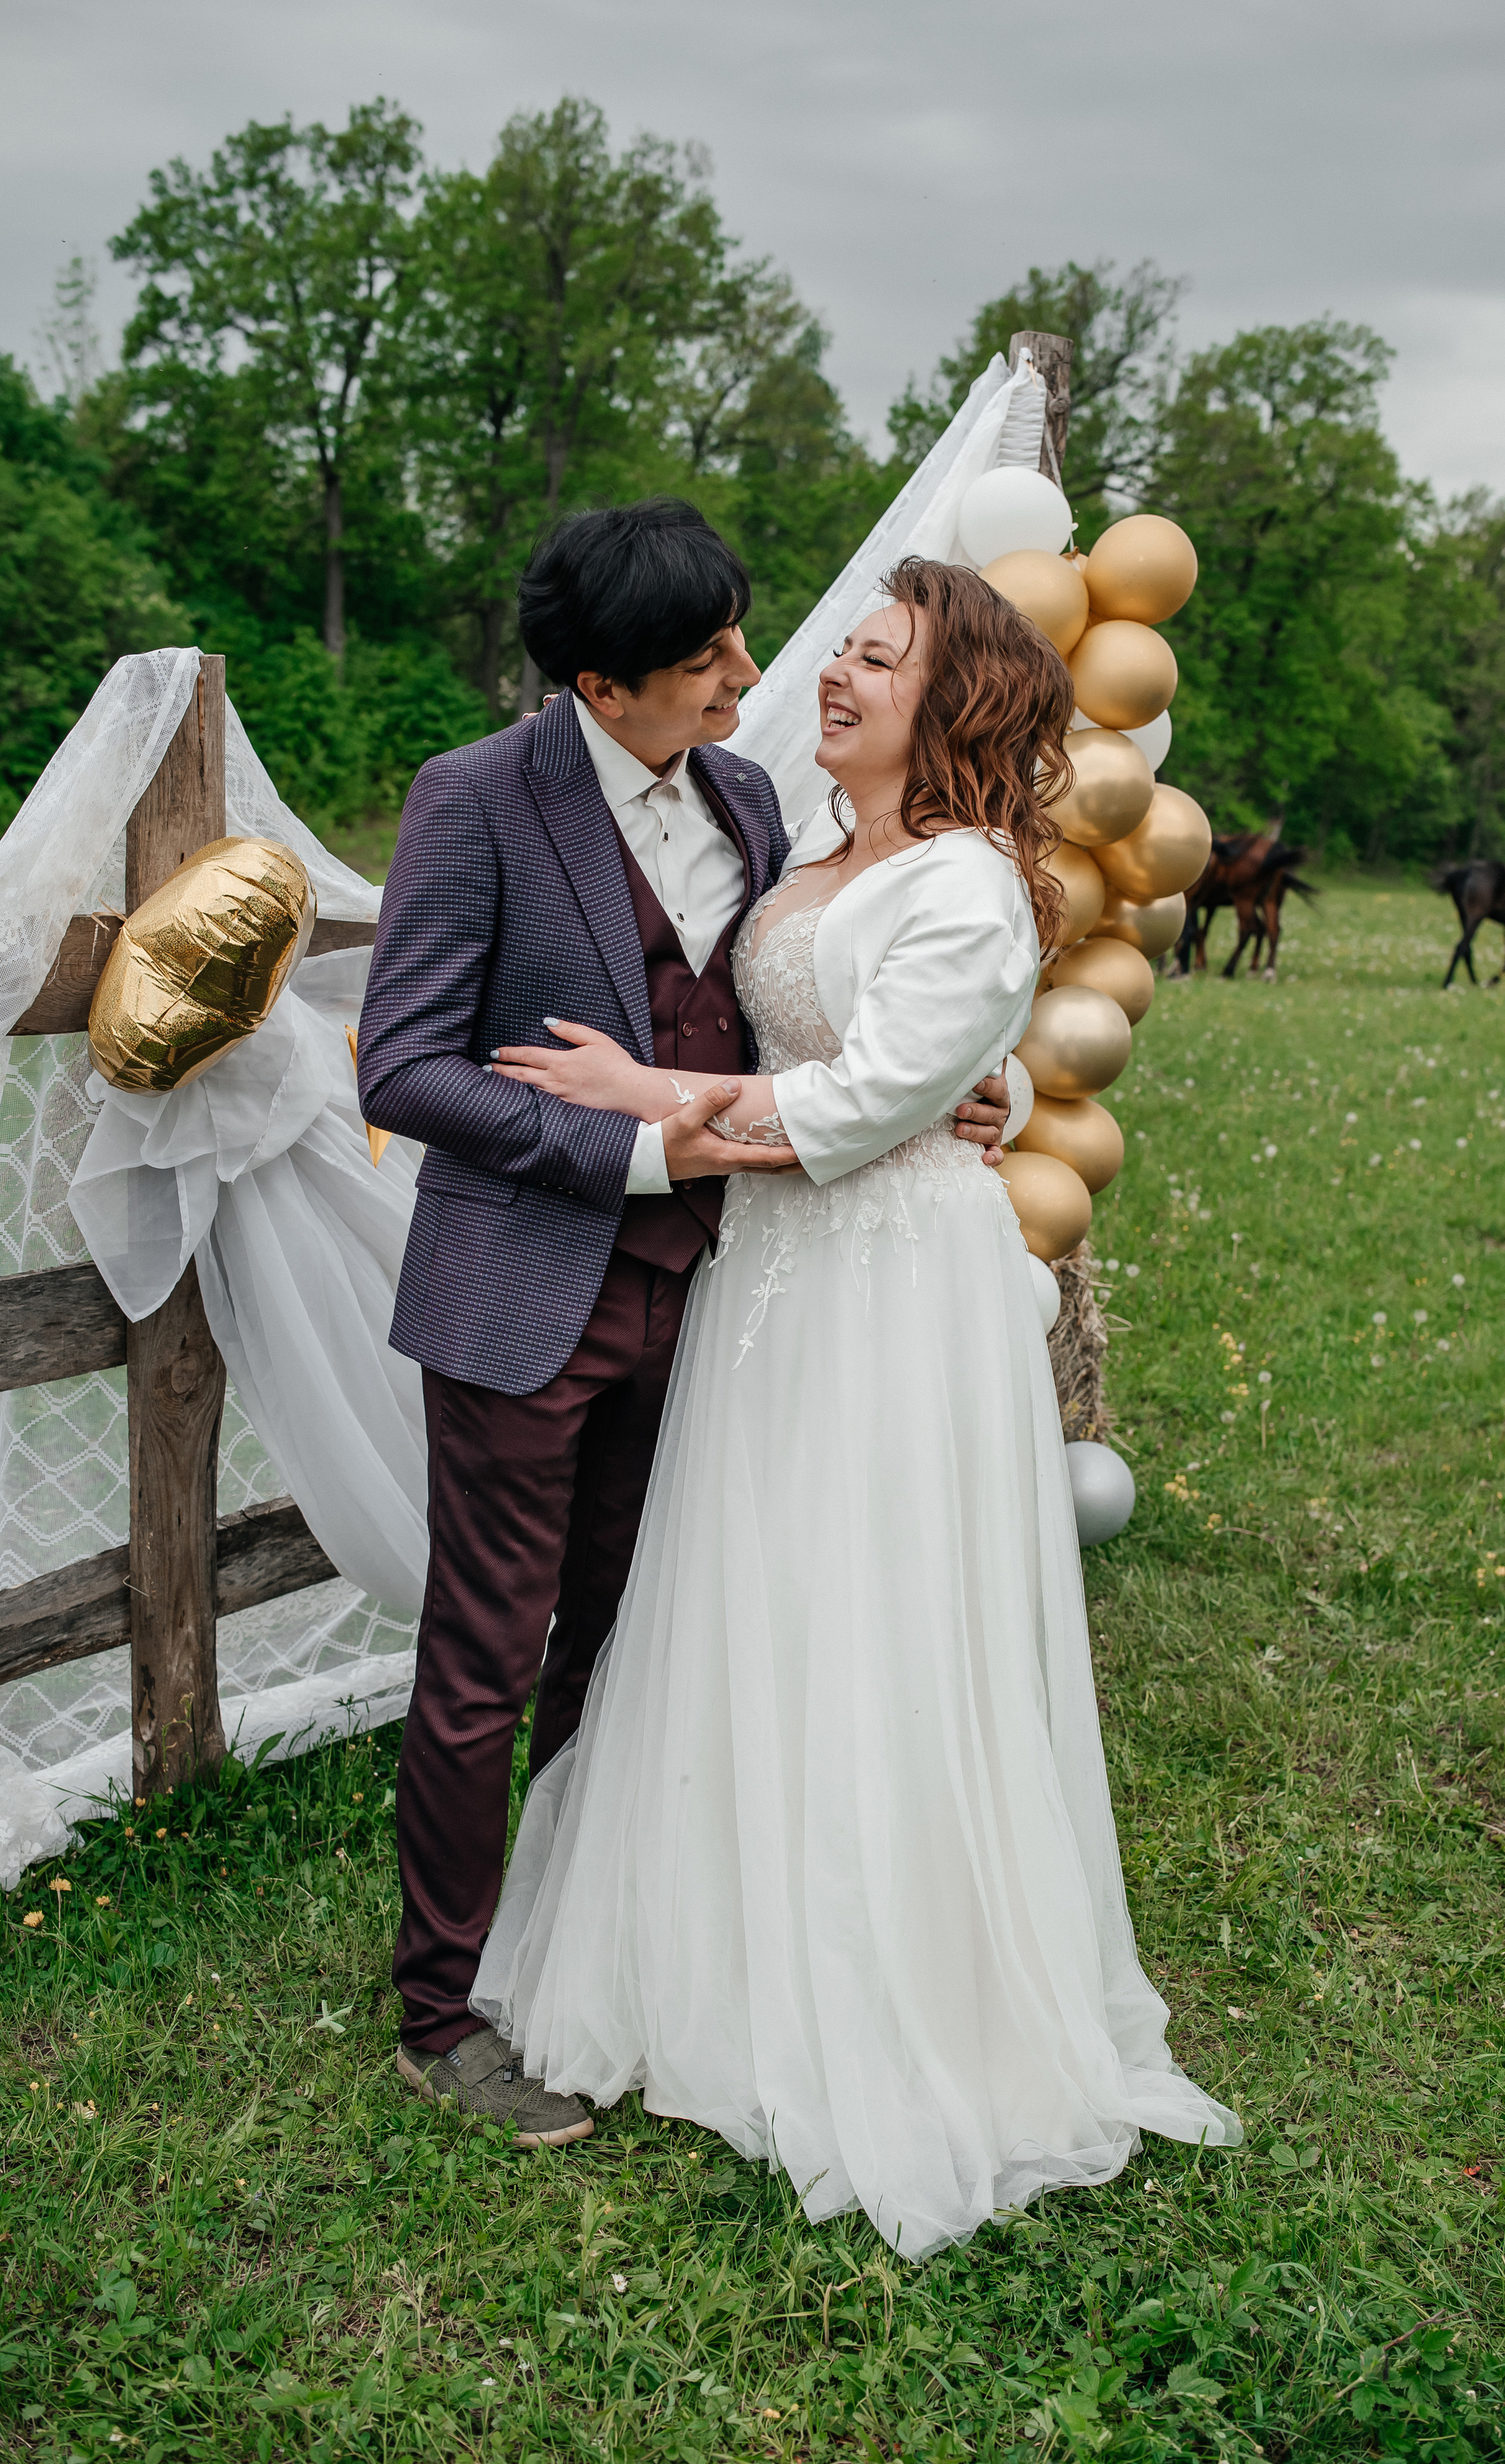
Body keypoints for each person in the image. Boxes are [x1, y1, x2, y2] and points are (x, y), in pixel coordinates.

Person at [472, 556, 1242, 2256]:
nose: (834, 676)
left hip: (894, 1289)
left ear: (952, 697)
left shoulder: (971, 881)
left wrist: (642, 1097)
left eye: (877, 661)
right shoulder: (809, 853)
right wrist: (1004, 1076)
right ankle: (726, 1948)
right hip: (772, 1280)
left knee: (881, 1603)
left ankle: (898, 1986)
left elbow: (876, 1096)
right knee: (758, 1589)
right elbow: (908, 1055)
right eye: (847, 654)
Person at [353, 501, 1011, 2147]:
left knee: (629, 1644)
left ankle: (589, 1952)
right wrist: (637, 1145)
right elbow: (404, 1066)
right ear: (599, 680)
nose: (749, 670)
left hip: (720, 1300)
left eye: (739, 633)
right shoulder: (475, 798)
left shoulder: (745, 793)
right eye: (706, 654)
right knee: (483, 1665)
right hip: (526, 1291)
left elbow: (820, 1006)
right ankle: (439, 2010)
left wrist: (949, 1093)